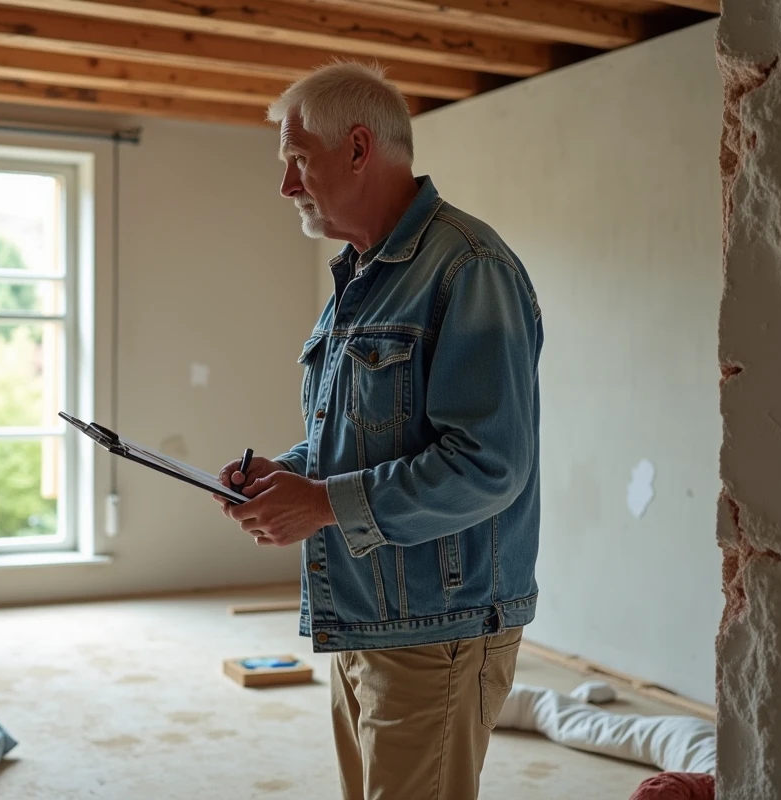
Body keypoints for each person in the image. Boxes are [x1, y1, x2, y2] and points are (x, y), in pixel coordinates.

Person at [215, 62, 544, 800]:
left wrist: (325, 503)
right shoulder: (361, 279)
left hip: (439, 630)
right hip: (365, 614)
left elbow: (488, 465)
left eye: (298, 160)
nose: (286, 185)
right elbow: (367, 437)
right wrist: (285, 477)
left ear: (358, 149)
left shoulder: (469, 268)